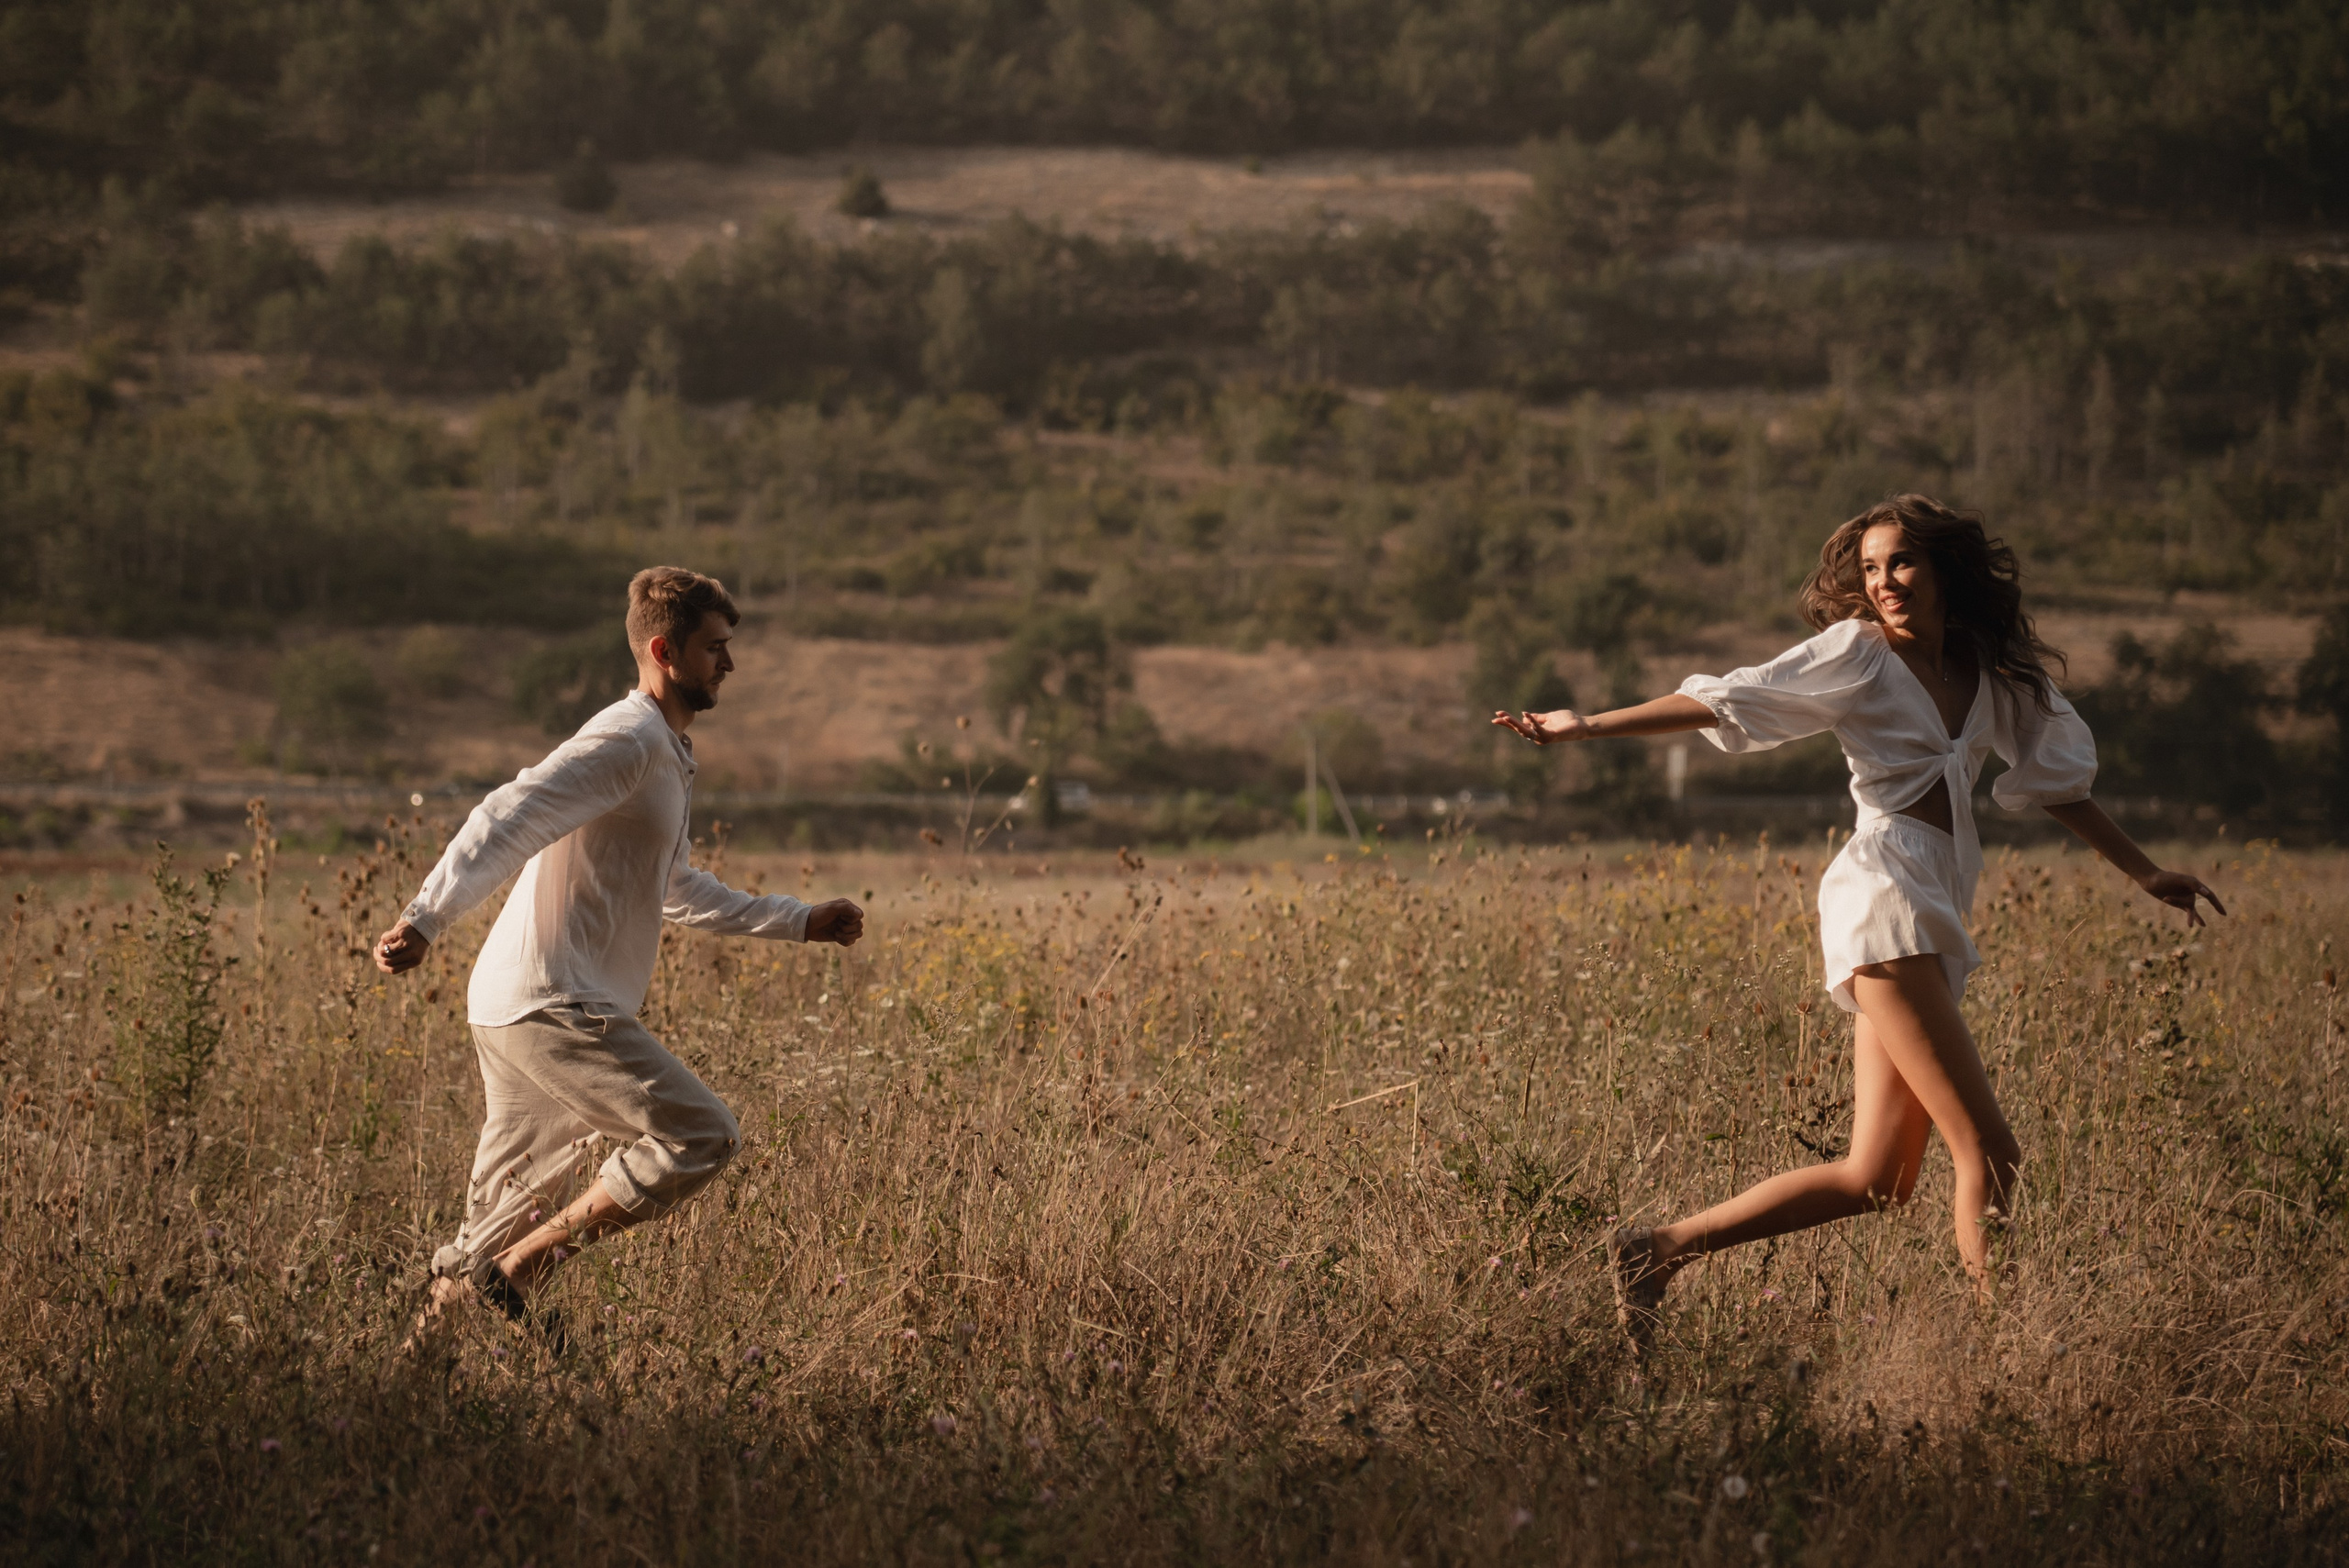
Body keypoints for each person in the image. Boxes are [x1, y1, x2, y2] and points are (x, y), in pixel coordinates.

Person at [1493, 495, 2223, 1345]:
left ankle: (1656, 1250)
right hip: (1884, 892)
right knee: (1989, 1150)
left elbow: (2060, 787)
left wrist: (2146, 873)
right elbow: (1735, 698)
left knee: (1878, 1176)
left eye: (1902, 563)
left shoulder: (1991, 674)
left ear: (1946, 570)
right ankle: (2010, 1353)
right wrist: (1586, 727)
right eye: (1871, 568)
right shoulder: (1860, 655)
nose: (1884, 582)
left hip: (1937, 901)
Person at [374, 566, 863, 1345]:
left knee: (497, 1217)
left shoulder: (663, 750)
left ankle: (401, 1387)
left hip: (517, 1003)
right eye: (714, 649)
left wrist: (798, 919)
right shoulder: (629, 737)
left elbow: (677, 889)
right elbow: (511, 810)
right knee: (702, 1133)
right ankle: (524, 1269)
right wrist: (427, 915)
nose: (727, 664)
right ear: (665, 650)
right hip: (553, 1000)